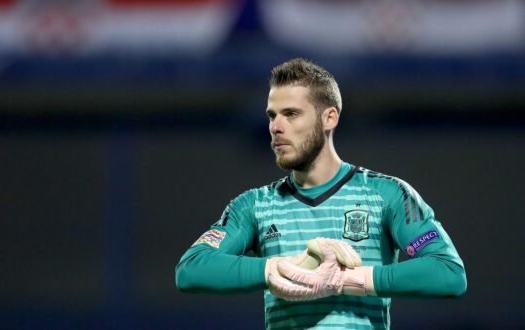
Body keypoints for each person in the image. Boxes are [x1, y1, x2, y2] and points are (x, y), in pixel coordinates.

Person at [175, 58, 467, 329]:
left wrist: (347, 280)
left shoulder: (386, 194)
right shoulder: (254, 206)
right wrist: (280, 269)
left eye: (291, 114)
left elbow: (448, 273)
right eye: (272, 115)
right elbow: (191, 269)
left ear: (329, 118)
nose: (275, 127)